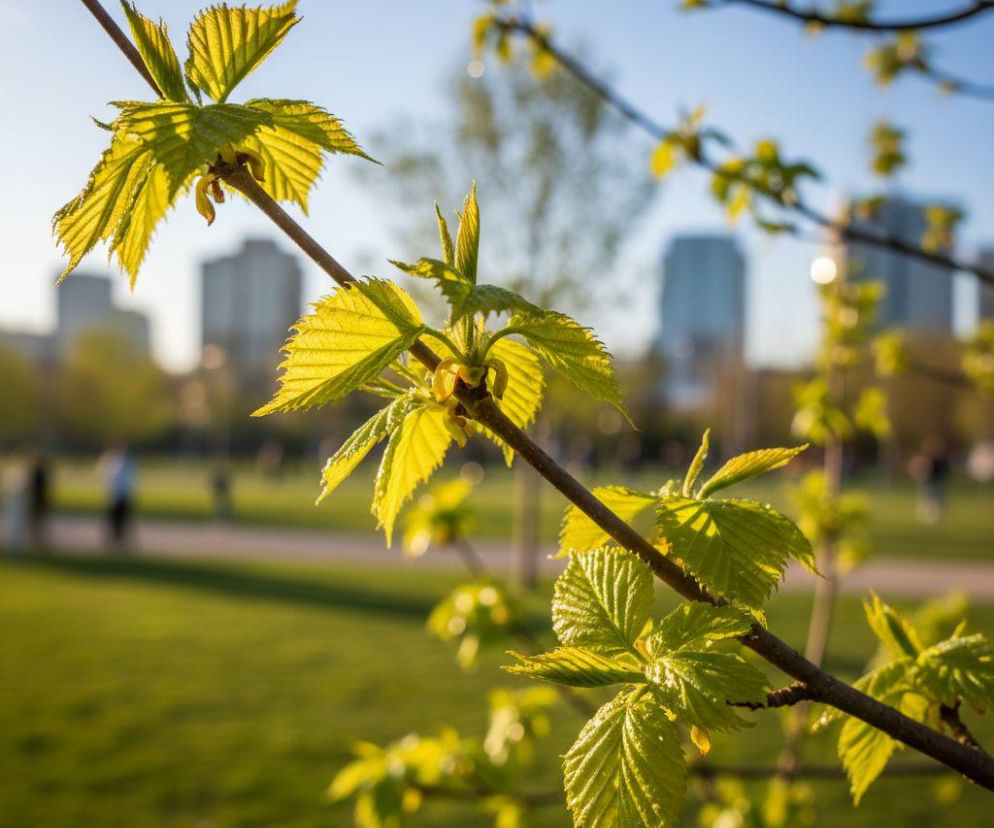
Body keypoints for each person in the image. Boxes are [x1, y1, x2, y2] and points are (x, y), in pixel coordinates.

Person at [98, 444, 136, 550]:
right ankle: (113, 539)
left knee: (123, 519)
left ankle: (121, 540)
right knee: (114, 519)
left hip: (124, 494)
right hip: (115, 494)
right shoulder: (112, 460)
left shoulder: (128, 461)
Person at [909, 435, 950, 525]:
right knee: (928, 497)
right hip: (929, 480)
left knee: (936, 497)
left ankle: (935, 515)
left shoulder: (940, 459)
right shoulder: (928, 458)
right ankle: (928, 515)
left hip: (937, 480)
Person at [26, 448, 51, 550]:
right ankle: (39, 541)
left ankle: (38, 542)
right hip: (40, 499)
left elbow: (35, 488)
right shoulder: (42, 471)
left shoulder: (37, 471)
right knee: (39, 521)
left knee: (37, 521)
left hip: (38, 499)